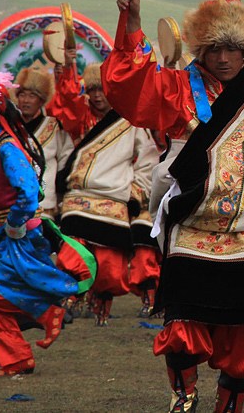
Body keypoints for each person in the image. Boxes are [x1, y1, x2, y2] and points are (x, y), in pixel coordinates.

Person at [103, 0, 244, 413]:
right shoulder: (176, 88)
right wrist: (131, 25)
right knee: (183, 322)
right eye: (213, 48)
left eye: (232, 49)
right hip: (191, 225)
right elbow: (128, 90)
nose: (222, 58)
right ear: (199, 49)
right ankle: (183, 396)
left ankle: (228, 407)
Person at [0, 94, 95, 376]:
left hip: (18, 237)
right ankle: (17, 359)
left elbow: (28, 194)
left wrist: (13, 223)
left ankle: (47, 313)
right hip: (7, 236)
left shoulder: (8, 149)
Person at [49, 52, 157, 326]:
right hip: (78, 199)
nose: (97, 96)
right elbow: (66, 103)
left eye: (103, 90)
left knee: (110, 264)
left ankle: (100, 304)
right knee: (74, 252)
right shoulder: (79, 117)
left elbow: (146, 162)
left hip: (114, 199)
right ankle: (71, 299)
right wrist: (66, 70)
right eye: (93, 89)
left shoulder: (131, 123)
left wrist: (135, 194)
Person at [12, 63, 72, 221]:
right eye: (22, 95)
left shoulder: (54, 126)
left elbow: (66, 160)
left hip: (45, 203)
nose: (26, 100)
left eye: (32, 96)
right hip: (13, 203)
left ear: (41, 101)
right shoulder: (11, 127)